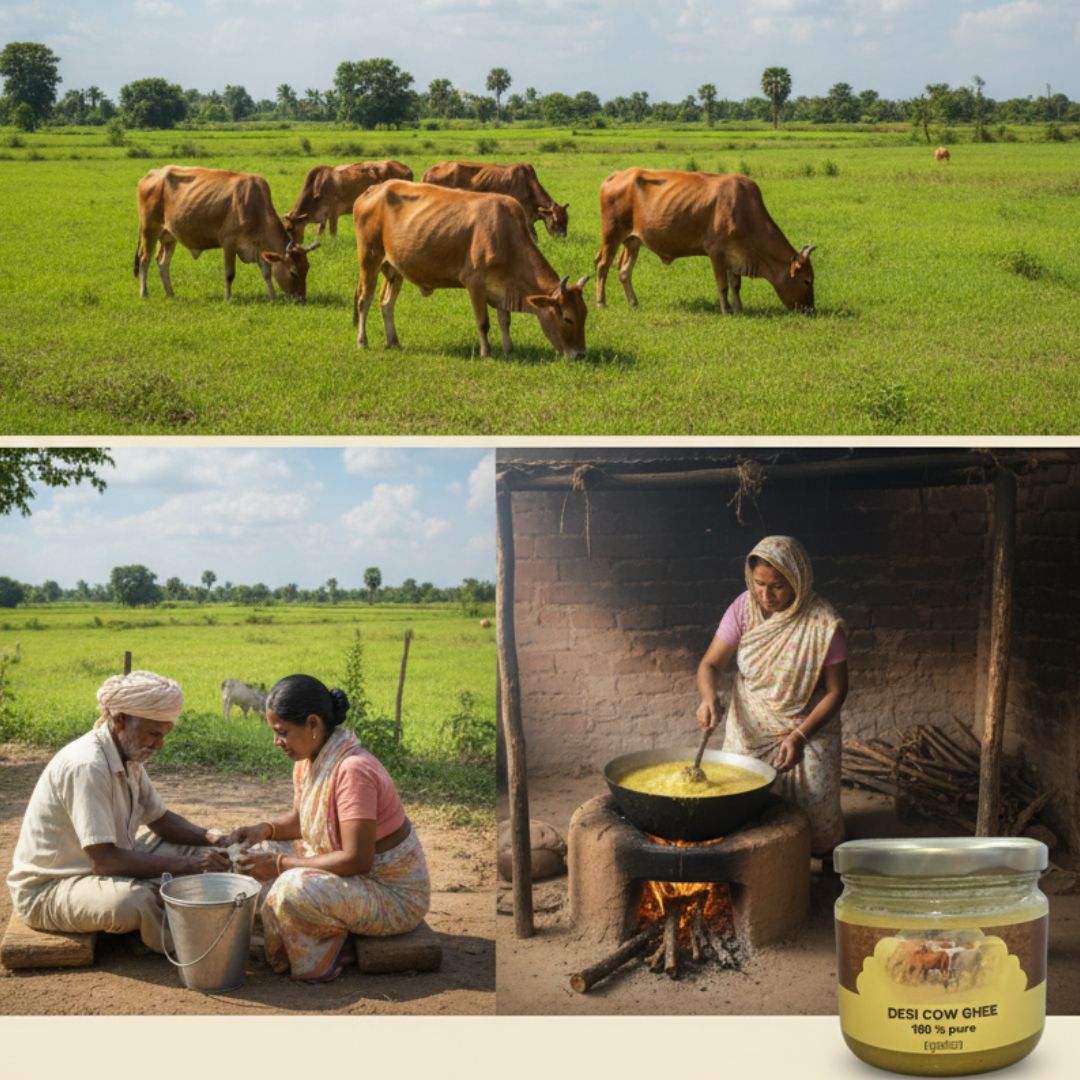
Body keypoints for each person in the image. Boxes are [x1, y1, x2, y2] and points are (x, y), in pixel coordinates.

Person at [222, 674, 430, 983]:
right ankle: (321, 925)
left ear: (313, 725)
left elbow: (357, 859)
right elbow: (303, 820)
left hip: (390, 894)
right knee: (254, 856)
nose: (276, 742)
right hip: (352, 876)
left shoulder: (353, 771)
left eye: (282, 732)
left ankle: (330, 950)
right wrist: (263, 830)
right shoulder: (309, 761)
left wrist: (280, 865)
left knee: (291, 889)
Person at [6, 670, 229, 952]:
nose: (159, 744)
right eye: (153, 734)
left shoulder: (128, 753)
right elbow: (104, 861)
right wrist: (190, 867)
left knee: (193, 849)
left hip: (101, 869)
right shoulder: (87, 765)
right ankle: (190, 946)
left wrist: (214, 838)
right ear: (121, 720)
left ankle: (161, 914)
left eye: (163, 735)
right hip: (52, 888)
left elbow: (160, 820)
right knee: (133, 901)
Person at [696, 536, 849, 860]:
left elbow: (837, 691)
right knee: (746, 811)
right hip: (751, 725)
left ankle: (828, 875)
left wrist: (799, 735)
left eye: (777, 586)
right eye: (759, 584)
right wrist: (709, 698)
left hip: (809, 727)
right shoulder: (743, 608)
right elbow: (710, 664)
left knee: (819, 822)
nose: (766, 595)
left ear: (798, 579)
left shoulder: (823, 625)